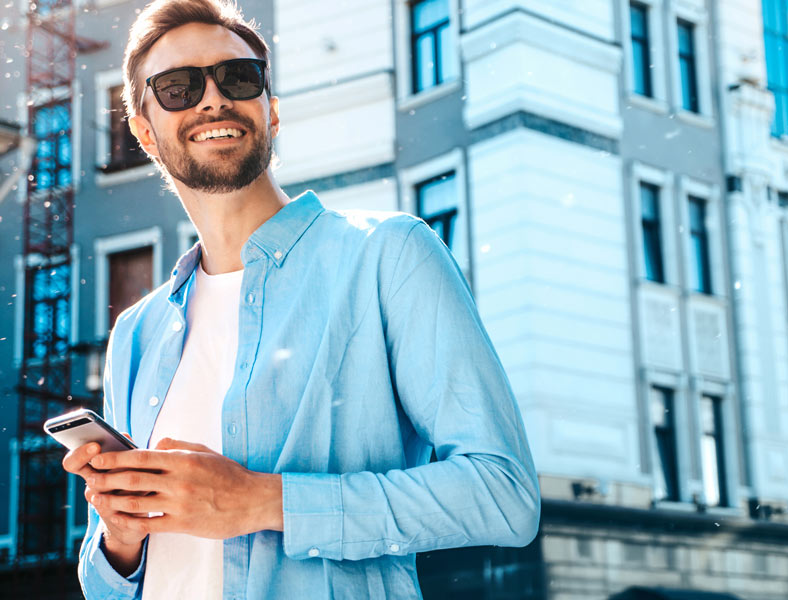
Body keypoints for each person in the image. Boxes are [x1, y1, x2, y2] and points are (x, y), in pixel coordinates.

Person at [61, 0, 540, 598]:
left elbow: (504, 495)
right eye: (178, 87)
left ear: (272, 109)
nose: (213, 99)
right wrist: (119, 535)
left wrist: (264, 501)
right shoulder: (137, 331)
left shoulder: (389, 256)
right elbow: (105, 584)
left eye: (237, 77)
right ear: (143, 131)